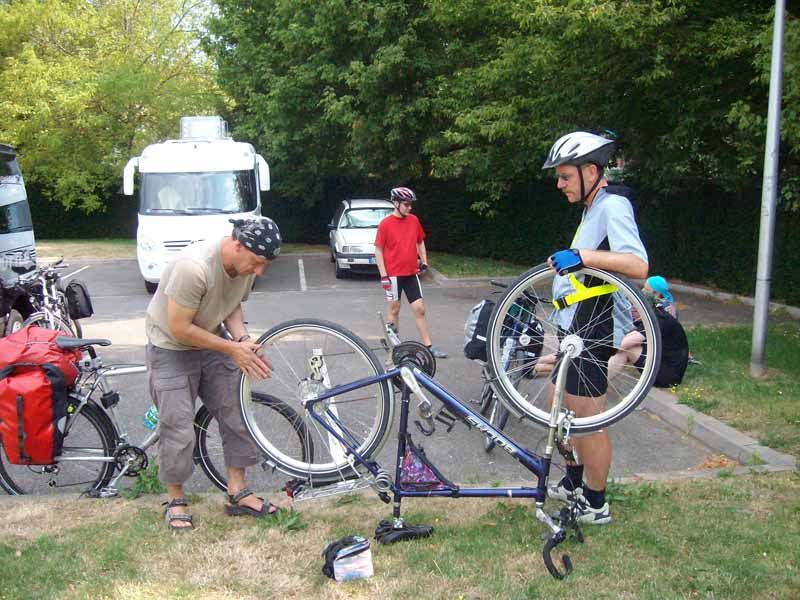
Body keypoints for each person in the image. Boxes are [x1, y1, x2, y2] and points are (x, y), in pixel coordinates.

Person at [145, 217, 281, 531]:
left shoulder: (245, 266)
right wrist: (232, 349)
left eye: (265, 265)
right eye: (257, 262)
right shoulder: (194, 268)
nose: (260, 271)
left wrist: (243, 340)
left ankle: (238, 493)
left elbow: (231, 304)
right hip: (171, 347)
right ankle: (175, 500)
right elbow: (179, 328)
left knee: (237, 411)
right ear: (238, 245)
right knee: (178, 426)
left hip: (212, 340)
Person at [542, 131, 649, 525]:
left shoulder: (613, 204)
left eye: (565, 176)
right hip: (574, 325)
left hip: (594, 323)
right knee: (559, 406)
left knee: (588, 419)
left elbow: (638, 265)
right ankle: (574, 481)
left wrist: (583, 255)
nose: (559, 184)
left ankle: (596, 502)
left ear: (590, 172)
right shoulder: (592, 208)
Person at [374, 186, 448, 358]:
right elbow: (378, 250)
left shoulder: (413, 220)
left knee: (420, 309)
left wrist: (424, 261)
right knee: (394, 309)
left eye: (410, 204)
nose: (409, 207)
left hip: (410, 273)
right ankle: (394, 346)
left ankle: (429, 346)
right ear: (396, 203)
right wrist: (383, 275)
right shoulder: (385, 224)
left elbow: (420, 241)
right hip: (393, 275)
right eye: (406, 204)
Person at [608, 277, 690, 387]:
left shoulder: (659, 319)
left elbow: (625, 343)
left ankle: (595, 383)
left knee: (626, 348)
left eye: (634, 309)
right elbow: (629, 332)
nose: (631, 311)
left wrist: (599, 350)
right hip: (662, 363)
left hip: (668, 376)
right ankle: (596, 381)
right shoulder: (655, 313)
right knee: (625, 344)